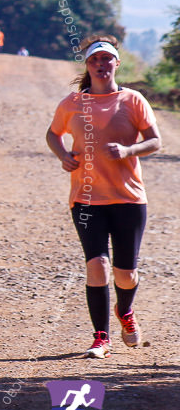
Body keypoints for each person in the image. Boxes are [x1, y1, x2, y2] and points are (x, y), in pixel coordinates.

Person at [46, 37, 161, 359]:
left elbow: (155, 141)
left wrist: (128, 150)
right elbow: (52, 133)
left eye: (106, 59)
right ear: (87, 65)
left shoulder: (133, 100)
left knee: (126, 275)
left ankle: (125, 311)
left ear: (116, 63)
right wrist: (62, 155)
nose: (101, 64)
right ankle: (101, 338)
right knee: (97, 265)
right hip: (86, 199)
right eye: (94, 59)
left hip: (129, 199)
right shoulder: (72, 103)